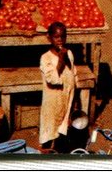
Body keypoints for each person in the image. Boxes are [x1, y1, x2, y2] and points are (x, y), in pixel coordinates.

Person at [39, 21, 78, 152]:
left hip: (66, 97)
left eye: (63, 36)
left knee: (64, 127)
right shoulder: (46, 58)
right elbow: (53, 79)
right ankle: (45, 152)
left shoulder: (70, 54)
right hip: (52, 102)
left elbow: (73, 74)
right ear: (49, 38)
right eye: (56, 37)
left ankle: (60, 152)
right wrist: (61, 59)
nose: (60, 40)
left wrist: (75, 100)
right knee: (50, 129)